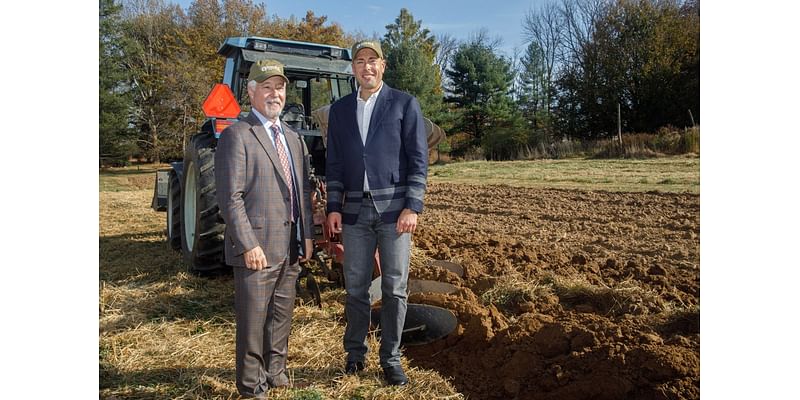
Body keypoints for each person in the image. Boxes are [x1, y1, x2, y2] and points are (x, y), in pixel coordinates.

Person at [325, 40, 428, 386]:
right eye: (360, 61)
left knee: (395, 288)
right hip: (354, 212)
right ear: (352, 69)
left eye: (372, 61)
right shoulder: (339, 112)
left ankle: (392, 358)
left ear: (382, 66)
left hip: (394, 213)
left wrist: (412, 205)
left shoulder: (403, 104)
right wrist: (333, 207)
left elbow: (418, 160)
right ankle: (355, 355)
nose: (366, 67)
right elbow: (335, 165)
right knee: (355, 287)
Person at [215, 59, 314, 398]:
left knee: (281, 313)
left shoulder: (292, 138)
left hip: (290, 245)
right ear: (252, 91)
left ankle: (276, 372)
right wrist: (248, 244)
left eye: (280, 87)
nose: (275, 94)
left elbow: (302, 191)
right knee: (254, 320)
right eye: (267, 86)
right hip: (256, 246)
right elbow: (231, 197)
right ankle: (251, 385)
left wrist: (308, 237)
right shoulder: (237, 136)